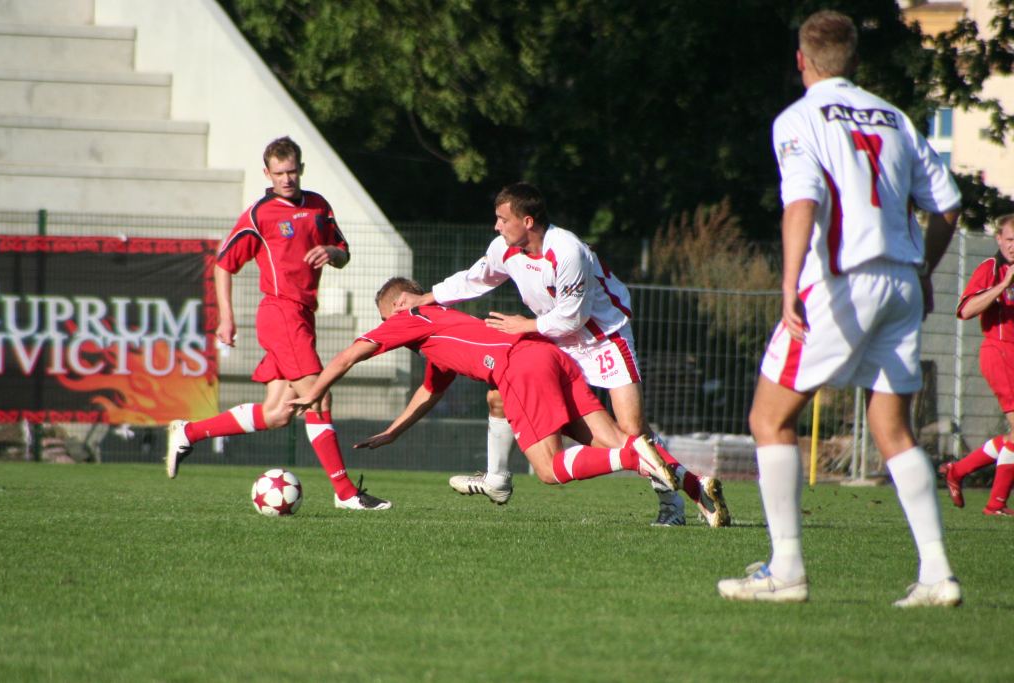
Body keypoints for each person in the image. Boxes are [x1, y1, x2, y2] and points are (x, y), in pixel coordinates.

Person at [717, 10, 962, 607]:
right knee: (892, 429)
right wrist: (924, 271)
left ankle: (787, 569)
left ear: (802, 60)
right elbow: (948, 204)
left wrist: (790, 285)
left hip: (841, 282)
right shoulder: (896, 117)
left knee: (769, 418)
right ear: (855, 62)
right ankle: (936, 575)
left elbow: (802, 200)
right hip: (902, 280)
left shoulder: (799, 118)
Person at [393, 182, 729, 528]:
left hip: (603, 339)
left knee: (631, 430)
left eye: (502, 219)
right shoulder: (502, 248)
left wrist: (525, 325)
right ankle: (497, 478)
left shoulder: (567, 250)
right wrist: (426, 298)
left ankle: (678, 500)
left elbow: (574, 317)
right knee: (499, 397)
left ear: (527, 221)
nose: (496, 226)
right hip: (555, 341)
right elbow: (474, 279)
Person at [286, 277, 679, 499]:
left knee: (549, 469)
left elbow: (347, 356)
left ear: (399, 303)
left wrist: (314, 391)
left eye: (385, 317)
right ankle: (690, 486)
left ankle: (499, 478)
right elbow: (428, 394)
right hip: (545, 356)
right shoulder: (439, 332)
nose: (386, 326)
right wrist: (393, 432)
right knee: (611, 439)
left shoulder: (413, 316)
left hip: (522, 365)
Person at [165, 136, 390, 511]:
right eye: (278, 173)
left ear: (301, 169)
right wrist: (226, 317)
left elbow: (344, 254)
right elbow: (223, 263)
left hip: (303, 314)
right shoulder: (260, 214)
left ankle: (188, 432)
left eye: (291, 171)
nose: (286, 179)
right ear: (267, 173)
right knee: (319, 396)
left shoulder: (318, 206)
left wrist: (333, 253)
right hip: (280, 313)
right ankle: (346, 493)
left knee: (277, 413)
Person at [940, 214, 1014, 517]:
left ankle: (957, 470)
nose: (1013, 246)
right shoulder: (991, 269)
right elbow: (966, 309)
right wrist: (1004, 285)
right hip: (999, 353)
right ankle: (995, 504)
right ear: (998, 239)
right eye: (1009, 240)